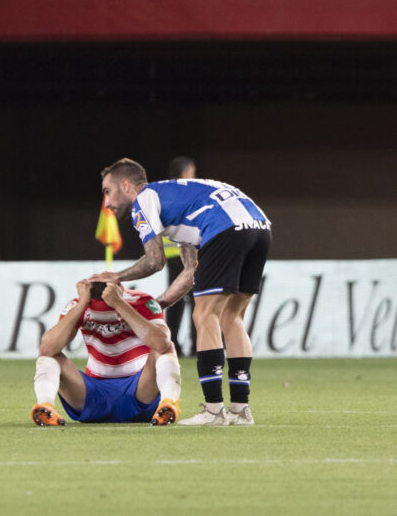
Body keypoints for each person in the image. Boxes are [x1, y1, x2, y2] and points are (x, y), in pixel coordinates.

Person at [95, 158, 271, 426]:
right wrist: (161, 302)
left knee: (204, 317)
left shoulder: (144, 199)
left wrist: (115, 277)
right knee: (232, 318)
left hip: (226, 229)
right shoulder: (177, 199)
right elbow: (191, 271)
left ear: (126, 185)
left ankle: (213, 411)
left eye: (108, 191)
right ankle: (240, 409)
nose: (107, 202)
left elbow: (155, 260)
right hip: (259, 228)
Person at [31, 280, 182, 426]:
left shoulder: (142, 300)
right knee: (50, 356)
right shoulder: (79, 304)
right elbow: (47, 348)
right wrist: (82, 304)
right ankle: (45, 406)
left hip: (140, 392)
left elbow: (163, 343)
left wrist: (119, 303)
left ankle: (168, 404)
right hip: (91, 396)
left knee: (164, 349)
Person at [163, 156, 198, 356]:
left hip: (170, 253)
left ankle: (173, 344)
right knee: (197, 301)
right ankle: (197, 346)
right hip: (189, 254)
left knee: (173, 299)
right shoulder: (189, 193)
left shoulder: (163, 194)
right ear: (185, 174)